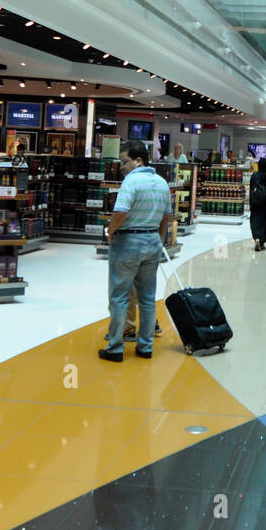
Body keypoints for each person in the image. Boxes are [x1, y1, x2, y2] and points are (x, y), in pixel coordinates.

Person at [100, 140, 174, 363]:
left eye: (125, 162)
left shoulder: (131, 182)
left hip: (128, 242)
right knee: (148, 299)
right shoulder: (162, 182)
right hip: (152, 242)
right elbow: (166, 216)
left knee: (120, 296)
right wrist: (159, 238)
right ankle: (145, 347)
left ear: (138, 160)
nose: (121, 167)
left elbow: (120, 212)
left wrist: (111, 231)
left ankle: (115, 347)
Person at [248, 157, 266, 251]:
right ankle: (262, 241)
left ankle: (257, 238)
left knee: (255, 220)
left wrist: (250, 203)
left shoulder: (254, 175)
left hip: (256, 201)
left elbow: (251, 190)